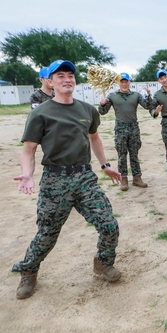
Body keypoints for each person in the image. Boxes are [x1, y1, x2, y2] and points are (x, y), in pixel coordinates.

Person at [12, 59, 122, 300]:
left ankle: (103, 263)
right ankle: (29, 271)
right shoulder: (40, 113)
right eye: (60, 76)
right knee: (47, 234)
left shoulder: (87, 110)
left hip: (84, 177)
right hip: (55, 180)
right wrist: (28, 175)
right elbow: (28, 150)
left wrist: (105, 166)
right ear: (50, 82)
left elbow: (94, 138)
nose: (67, 79)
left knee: (109, 225)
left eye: (70, 75)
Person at [98, 73, 152, 191]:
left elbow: (147, 106)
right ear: (118, 83)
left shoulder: (136, 95)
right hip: (120, 129)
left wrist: (148, 96)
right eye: (121, 81)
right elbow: (103, 112)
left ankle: (137, 178)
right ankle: (123, 180)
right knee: (122, 155)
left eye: (126, 81)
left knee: (134, 154)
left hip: (133, 128)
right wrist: (102, 105)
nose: (124, 84)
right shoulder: (112, 96)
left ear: (129, 82)